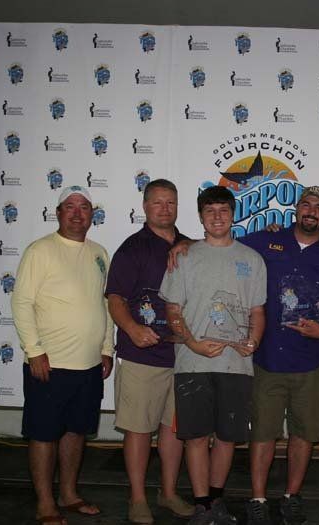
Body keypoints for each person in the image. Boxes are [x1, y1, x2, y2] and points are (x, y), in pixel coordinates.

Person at [240, 186, 319, 525]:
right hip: (268, 360)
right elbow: (225, 247)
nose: (311, 210)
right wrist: (188, 243)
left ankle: (292, 495)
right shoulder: (266, 241)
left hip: (312, 362)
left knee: (304, 433)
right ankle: (258, 498)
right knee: (262, 432)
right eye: (306, 204)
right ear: (296, 209)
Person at [160, 186, 267, 525]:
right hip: (192, 363)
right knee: (194, 436)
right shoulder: (185, 256)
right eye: (210, 211)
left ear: (234, 213)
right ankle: (202, 504)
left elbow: (258, 312)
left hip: (236, 365)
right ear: (201, 217)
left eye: (223, 209)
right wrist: (192, 344)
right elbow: (172, 310)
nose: (218, 216)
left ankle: (217, 501)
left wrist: (253, 341)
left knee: (226, 437)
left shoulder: (252, 259)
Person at [11, 186, 114, 524]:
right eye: (69, 207)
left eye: (84, 207)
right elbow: (22, 303)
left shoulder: (100, 253)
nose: (76, 213)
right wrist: (35, 351)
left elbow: (105, 305)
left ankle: (68, 494)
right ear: (58, 213)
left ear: (92, 215)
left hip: (88, 366)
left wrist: (106, 348)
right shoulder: (40, 250)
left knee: (76, 432)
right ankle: (44, 504)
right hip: (49, 365)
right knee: (43, 434)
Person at [105, 179, 194, 523]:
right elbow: (115, 299)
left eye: (170, 202)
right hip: (142, 356)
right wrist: (131, 328)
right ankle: (138, 498)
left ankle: (168, 493)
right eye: (157, 202)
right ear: (144, 206)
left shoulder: (190, 246)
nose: (164, 208)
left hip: (183, 356)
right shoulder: (132, 249)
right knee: (139, 429)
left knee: (174, 430)